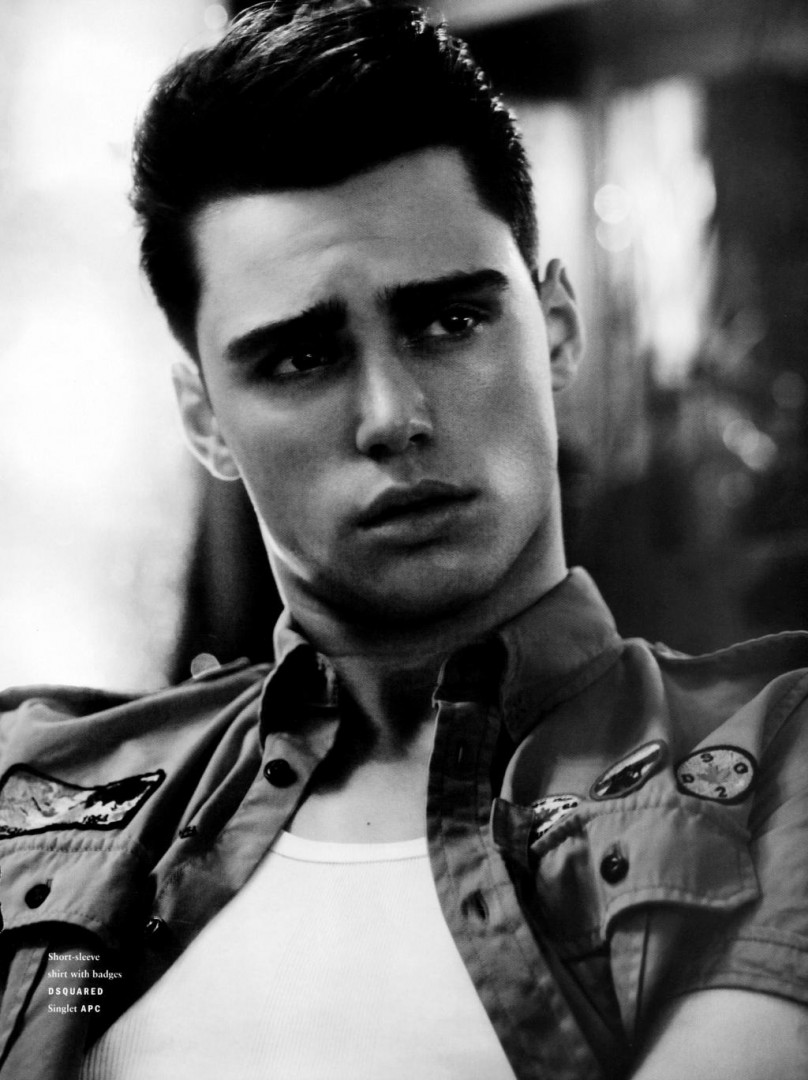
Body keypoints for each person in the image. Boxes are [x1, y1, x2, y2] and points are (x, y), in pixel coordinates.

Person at [1, 3, 807, 1078]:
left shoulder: (777, 760)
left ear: (557, 328)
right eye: (299, 358)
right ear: (203, 418)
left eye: (449, 321)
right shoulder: (37, 784)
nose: (392, 416)